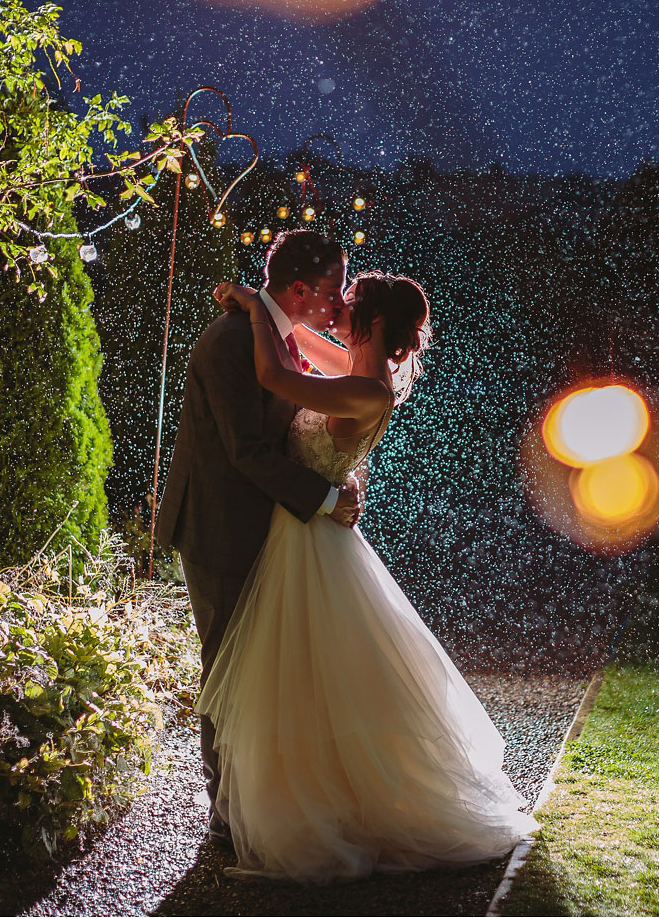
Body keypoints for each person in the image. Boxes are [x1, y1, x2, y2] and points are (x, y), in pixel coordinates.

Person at [197, 270, 537, 884]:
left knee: (302, 676)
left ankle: (317, 804)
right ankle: (304, 792)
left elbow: (277, 375)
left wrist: (250, 304)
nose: (339, 309)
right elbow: (297, 336)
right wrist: (273, 308)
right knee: (309, 675)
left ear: (377, 322)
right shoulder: (357, 366)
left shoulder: (370, 389)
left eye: (350, 304)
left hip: (307, 538)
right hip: (305, 525)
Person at [153, 230, 362, 847]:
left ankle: (257, 796)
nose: (339, 301)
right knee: (225, 666)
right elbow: (244, 450)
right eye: (332, 290)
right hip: (222, 525)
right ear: (299, 290)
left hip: (265, 521)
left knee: (260, 667)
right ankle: (226, 815)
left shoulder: (272, 334)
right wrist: (324, 499)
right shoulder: (232, 341)